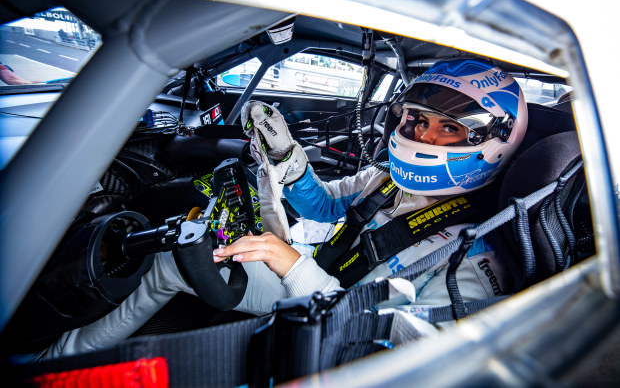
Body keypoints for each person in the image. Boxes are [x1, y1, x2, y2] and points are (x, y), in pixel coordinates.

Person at [38, 58, 528, 359]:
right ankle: (57, 357)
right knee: (176, 256)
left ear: (491, 143)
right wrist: (285, 157)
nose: (421, 136)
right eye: (418, 121)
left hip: (332, 324)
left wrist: (293, 268)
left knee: (180, 262)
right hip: (313, 277)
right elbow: (325, 205)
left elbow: (398, 345)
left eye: (447, 129)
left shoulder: (474, 252)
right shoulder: (385, 178)